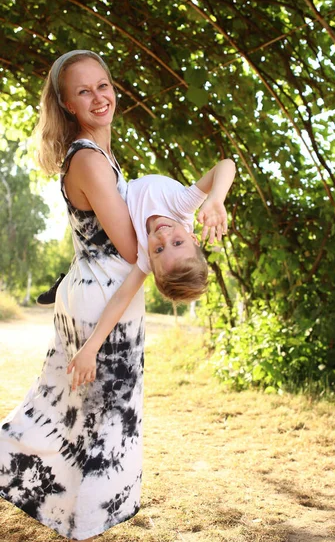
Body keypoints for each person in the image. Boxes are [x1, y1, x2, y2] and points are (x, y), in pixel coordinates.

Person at [0, 50, 144, 542]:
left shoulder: (97, 156)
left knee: (73, 412)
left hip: (94, 291)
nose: (98, 97)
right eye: (84, 91)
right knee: (101, 420)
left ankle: (81, 521)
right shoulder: (88, 159)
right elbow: (130, 247)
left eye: (103, 84)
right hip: (103, 300)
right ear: (66, 103)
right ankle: (84, 522)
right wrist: (171, 221)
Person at [67, 158, 236, 391]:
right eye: (178, 242)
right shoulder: (183, 204)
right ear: (193, 237)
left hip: (114, 192)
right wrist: (216, 197)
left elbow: (121, 299)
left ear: (151, 257)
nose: (164, 238)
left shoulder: (144, 256)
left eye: (158, 250)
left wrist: (91, 348)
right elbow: (226, 164)